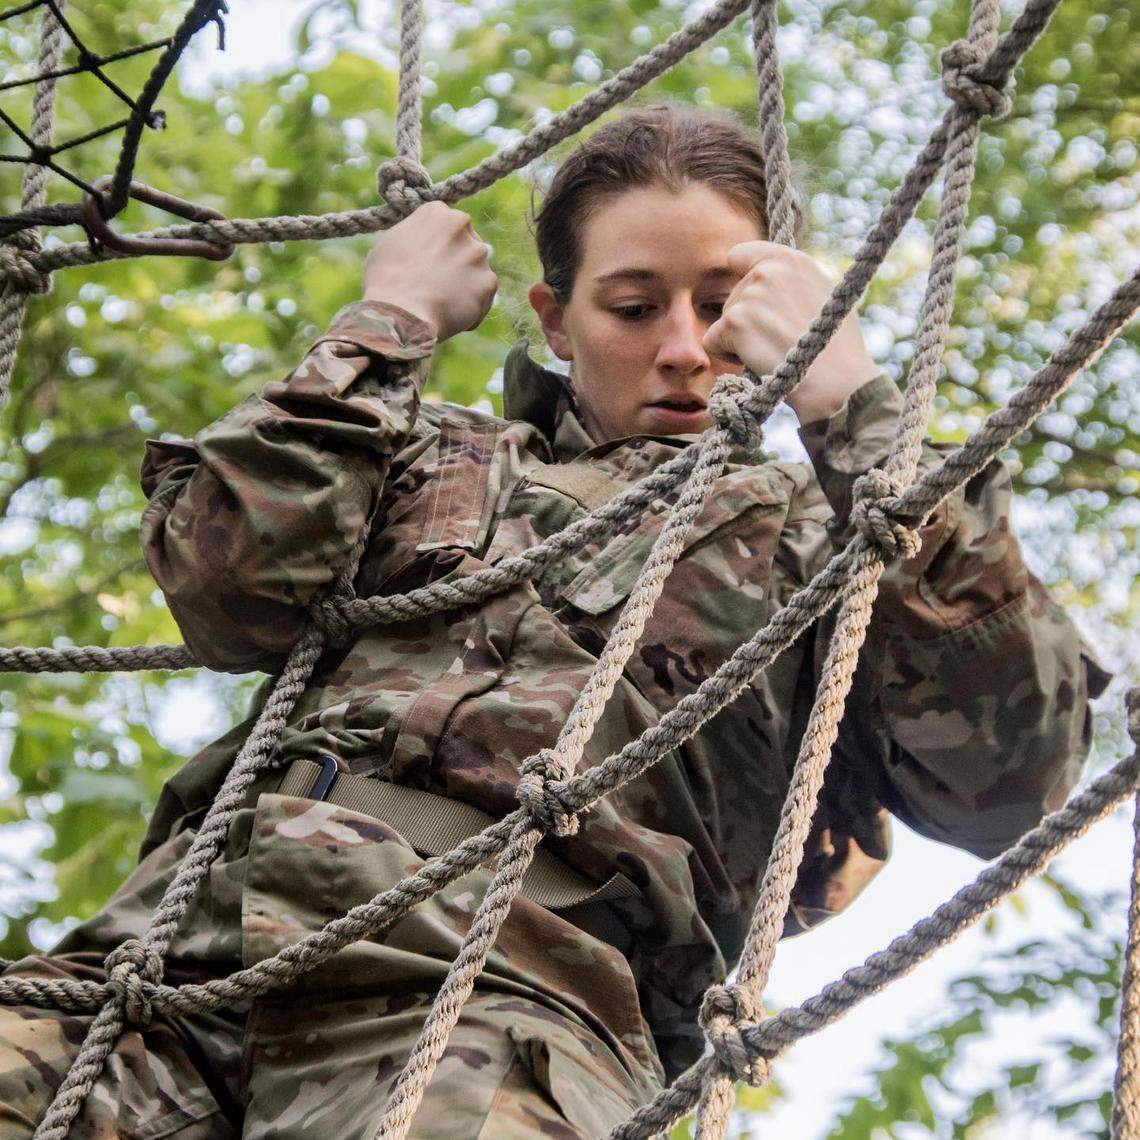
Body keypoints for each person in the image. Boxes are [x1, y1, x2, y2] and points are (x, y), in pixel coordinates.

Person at [0, 103, 1108, 1139]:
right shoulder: (426, 453)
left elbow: (1013, 776)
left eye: (723, 306)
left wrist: (858, 407)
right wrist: (387, 323)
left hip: (505, 1005)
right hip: (178, 957)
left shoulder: (830, 546)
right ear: (558, 323)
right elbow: (223, 583)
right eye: (633, 308)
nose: (684, 347)